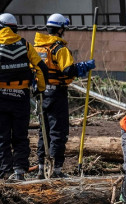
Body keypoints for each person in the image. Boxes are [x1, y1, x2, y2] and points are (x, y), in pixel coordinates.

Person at [34, 13, 96, 179]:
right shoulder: (59, 49)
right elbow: (68, 70)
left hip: (41, 93)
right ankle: (56, 170)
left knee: (43, 131)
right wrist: (83, 67)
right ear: (61, 28)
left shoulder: (38, 47)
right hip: (56, 93)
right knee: (58, 131)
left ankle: (41, 168)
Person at [0, 13, 48, 181]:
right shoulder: (25, 45)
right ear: (14, 28)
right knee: (20, 135)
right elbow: (41, 68)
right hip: (21, 96)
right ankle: (19, 170)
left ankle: (5, 172)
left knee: (2, 137)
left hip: (1, 97)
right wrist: (40, 88)